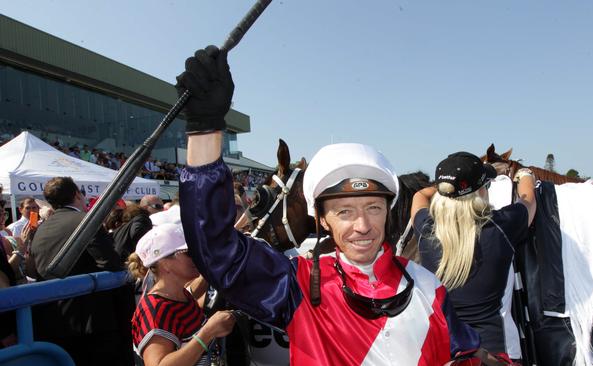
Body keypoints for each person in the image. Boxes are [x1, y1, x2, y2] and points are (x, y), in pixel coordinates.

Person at [176, 45, 486, 365]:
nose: (362, 225)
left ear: (388, 212)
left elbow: (466, 354)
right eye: (344, 212)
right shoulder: (295, 287)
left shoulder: (428, 286)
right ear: (322, 220)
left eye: (373, 208)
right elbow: (216, 248)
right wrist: (204, 127)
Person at [410, 152, 537, 363]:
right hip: (493, 355)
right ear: (480, 190)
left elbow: (419, 196)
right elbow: (529, 200)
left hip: (444, 353)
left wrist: (446, 187)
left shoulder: (426, 229)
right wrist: (525, 174)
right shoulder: (502, 226)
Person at [27, 176, 133, 365]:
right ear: (77, 194)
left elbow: (34, 271)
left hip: (55, 321)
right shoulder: (85, 221)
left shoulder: (41, 229)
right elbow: (110, 262)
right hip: (92, 322)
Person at [129, 223, 236, 366]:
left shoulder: (180, 296)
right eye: (189, 253)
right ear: (164, 263)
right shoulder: (155, 309)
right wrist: (207, 333)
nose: (197, 257)